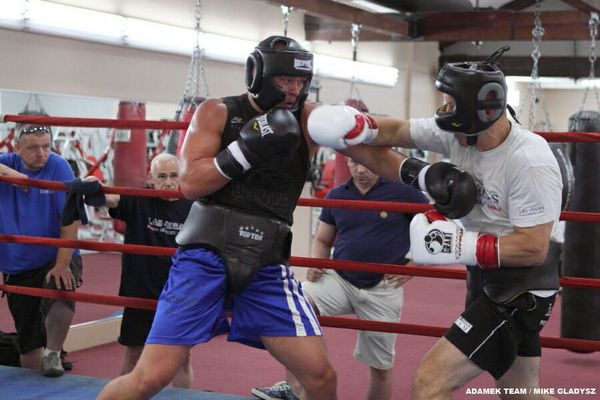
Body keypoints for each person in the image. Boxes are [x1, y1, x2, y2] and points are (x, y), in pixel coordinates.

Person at [97, 35, 476, 400]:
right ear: (258, 75)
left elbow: (371, 154)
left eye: (301, 81)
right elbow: (191, 183)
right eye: (285, 80)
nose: (294, 90)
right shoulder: (218, 112)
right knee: (150, 378)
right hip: (203, 258)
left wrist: (424, 175)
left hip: (266, 264)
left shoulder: (310, 118)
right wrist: (245, 150)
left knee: (321, 377)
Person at [307, 46, 563, 399]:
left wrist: (459, 245)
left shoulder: (528, 160)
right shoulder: (455, 131)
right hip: (484, 277)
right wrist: (355, 129)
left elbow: (534, 248)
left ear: (478, 112)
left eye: (451, 103)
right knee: (520, 392)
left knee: (430, 381)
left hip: (521, 290)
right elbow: (397, 131)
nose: (444, 110)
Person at [251, 158, 428, 400]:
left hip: (383, 287)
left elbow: (434, 227)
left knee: (380, 368)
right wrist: (318, 263)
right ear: (348, 162)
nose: (361, 169)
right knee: (296, 302)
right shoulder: (337, 194)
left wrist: (413, 267)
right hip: (340, 280)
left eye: (367, 163)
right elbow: (323, 239)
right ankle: (293, 389)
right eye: (355, 163)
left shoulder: (403, 191)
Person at [98, 153, 194, 387]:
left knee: (182, 358)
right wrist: (93, 184)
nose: (168, 182)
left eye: (173, 176)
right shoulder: (138, 199)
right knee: (134, 354)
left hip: (177, 293)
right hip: (140, 290)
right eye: (162, 176)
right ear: (150, 178)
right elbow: (110, 198)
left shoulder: (191, 205)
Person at [0, 124, 82, 377]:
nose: (42, 153)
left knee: (60, 288)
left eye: (46, 146)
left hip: (54, 255)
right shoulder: (7, 163)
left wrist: (62, 264)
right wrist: (15, 176)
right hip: (17, 264)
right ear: (17, 148)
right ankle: (36, 389)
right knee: (29, 347)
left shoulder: (58, 166)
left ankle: (54, 352)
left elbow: (70, 218)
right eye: (34, 148)